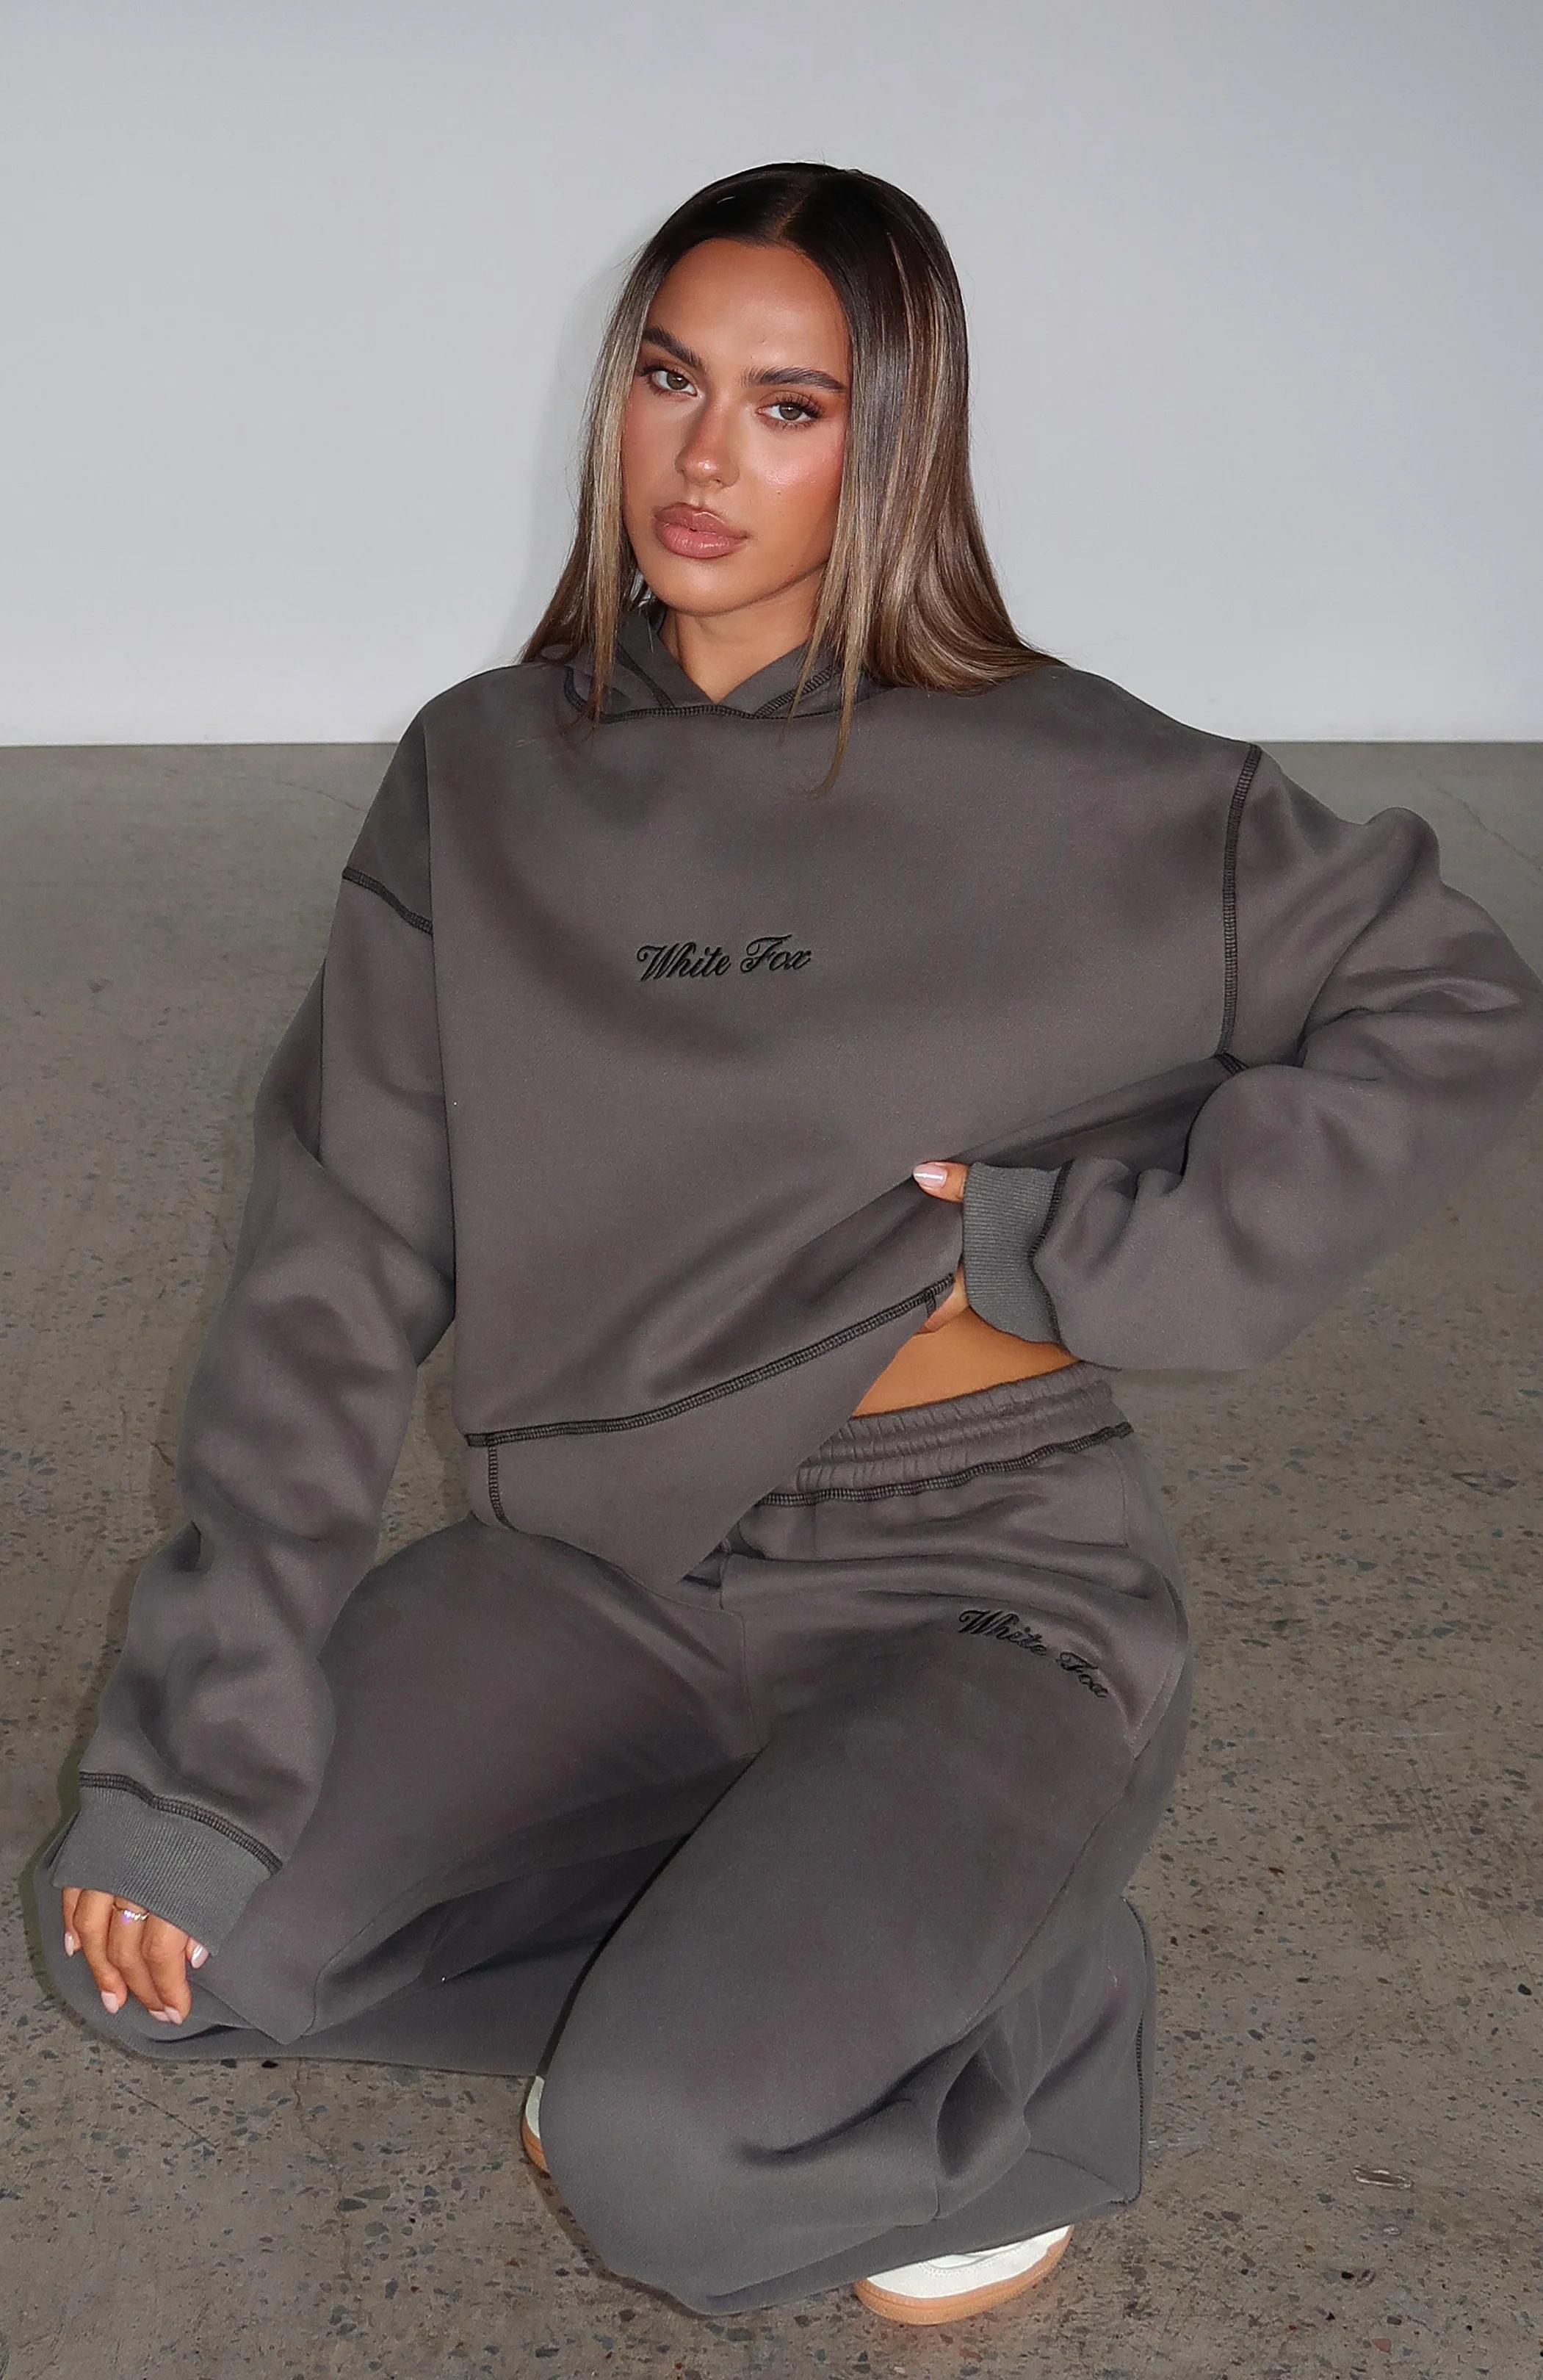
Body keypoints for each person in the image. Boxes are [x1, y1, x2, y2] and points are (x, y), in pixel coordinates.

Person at [29, 160, 1543, 2326]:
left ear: (892, 439)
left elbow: (1456, 996)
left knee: (661, 2165)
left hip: (981, 1591)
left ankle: (1024, 2028)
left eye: (790, 406)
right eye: (669, 380)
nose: (705, 459)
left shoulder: (1081, 779)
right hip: (596, 1577)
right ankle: (757, 1967)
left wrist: (1103, 1257)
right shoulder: (484, 779)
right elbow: (325, 1277)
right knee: (160, 1953)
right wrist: (199, 1765)